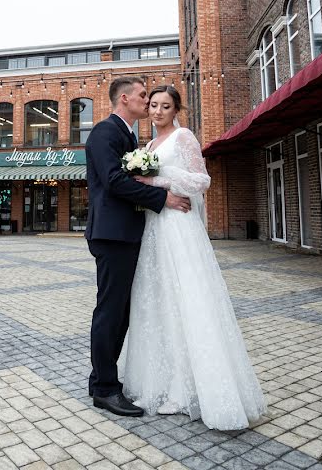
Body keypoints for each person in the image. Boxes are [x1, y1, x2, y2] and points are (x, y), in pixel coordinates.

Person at [121, 85, 266, 430]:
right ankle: (162, 383)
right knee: (159, 303)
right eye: (153, 105)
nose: (157, 111)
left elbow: (202, 181)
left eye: (165, 106)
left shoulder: (183, 136)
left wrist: (158, 178)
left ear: (176, 110)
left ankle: (187, 391)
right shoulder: (149, 146)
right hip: (155, 228)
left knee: (187, 301)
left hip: (179, 228)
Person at [85, 76, 193, 417]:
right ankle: (104, 389)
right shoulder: (105, 132)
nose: (148, 102)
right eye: (143, 96)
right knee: (110, 312)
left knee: (122, 314)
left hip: (127, 234)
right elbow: (115, 181)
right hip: (112, 235)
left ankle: (100, 379)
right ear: (125, 100)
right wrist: (162, 197)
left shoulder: (130, 136)